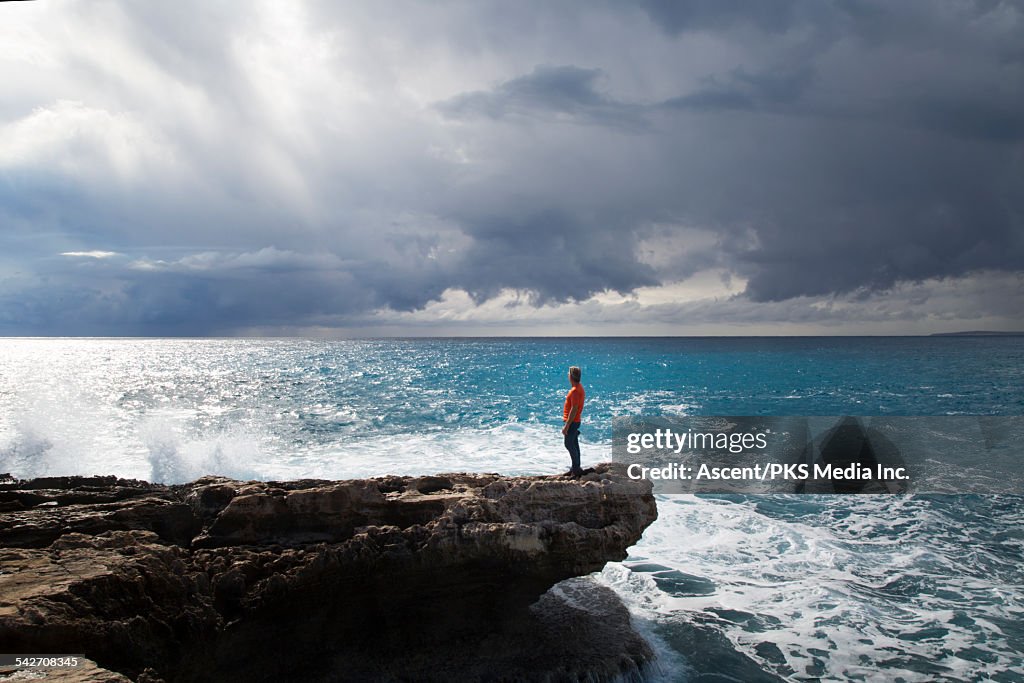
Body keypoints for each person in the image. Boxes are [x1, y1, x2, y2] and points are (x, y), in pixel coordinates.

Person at [561, 365, 585, 478]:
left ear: (571, 376)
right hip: (575, 421)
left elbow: (574, 409)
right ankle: (575, 467)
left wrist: (567, 425)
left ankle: (576, 469)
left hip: (573, 421)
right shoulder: (579, 387)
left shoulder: (575, 391)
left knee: (569, 444)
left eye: (568, 373)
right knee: (574, 443)